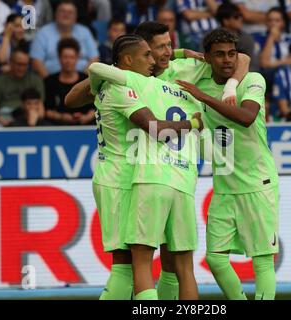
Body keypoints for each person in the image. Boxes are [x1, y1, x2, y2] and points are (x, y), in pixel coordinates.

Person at [68, 34, 205, 300]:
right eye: (148, 55)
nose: (154, 60)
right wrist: (194, 124)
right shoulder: (121, 86)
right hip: (119, 178)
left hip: (136, 176)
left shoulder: (133, 83)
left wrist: (177, 54)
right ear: (127, 60)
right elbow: (155, 128)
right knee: (125, 266)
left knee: (139, 266)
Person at [176, 28, 279, 300]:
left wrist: (204, 97)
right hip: (224, 186)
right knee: (215, 259)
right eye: (219, 54)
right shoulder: (202, 79)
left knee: (262, 260)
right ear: (206, 58)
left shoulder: (253, 80)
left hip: (258, 183)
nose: (227, 60)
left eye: (232, 53)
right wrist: (182, 53)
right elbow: (157, 63)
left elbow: (246, 117)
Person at [30, 0, 99, 78]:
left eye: (70, 12)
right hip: (50, 81)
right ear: (55, 14)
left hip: (81, 81)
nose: (66, 14)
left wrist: (82, 83)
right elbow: (36, 62)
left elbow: (94, 59)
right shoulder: (43, 33)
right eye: (62, 11)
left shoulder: (85, 31)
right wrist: (49, 82)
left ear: (76, 16)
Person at [0, 48, 45, 125]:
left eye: (25, 65)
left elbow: (41, 109)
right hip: (4, 118)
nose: (22, 68)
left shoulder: (36, 80)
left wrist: (32, 122)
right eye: (19, 64)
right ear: (10, 63)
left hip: (29, 117)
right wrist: (0, 120)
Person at [45, 38, 95, 125]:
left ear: (77, 58)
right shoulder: (49, 82)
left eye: (72, 57)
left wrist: (87, 117)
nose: (68, 61)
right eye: (65, 57)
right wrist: (62, 117)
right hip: (57, 127)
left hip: (86, 127)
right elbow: (46, 110)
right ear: (59, 58)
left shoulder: (87, 80)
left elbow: (96, 106)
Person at [216, 2, 255, 69]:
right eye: (236, 17)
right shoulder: (211, 38)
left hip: (244, 75)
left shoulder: (246, 38)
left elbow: (253, 65)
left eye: (241, 16)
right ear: (226, 20)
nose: (241, 19)